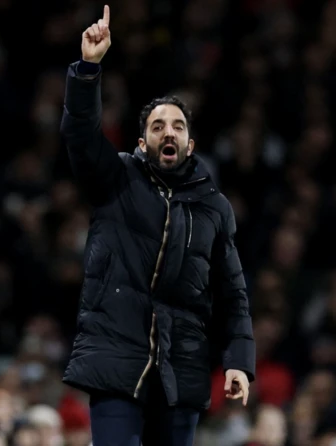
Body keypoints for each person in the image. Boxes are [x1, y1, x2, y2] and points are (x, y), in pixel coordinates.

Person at [60, 5, 256, 446]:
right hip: (116, 361)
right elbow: (80, 135)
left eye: (178, 126)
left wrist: (239, 360)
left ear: (191, 143)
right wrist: (88, 70)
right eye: (158, 125)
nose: (169, 131)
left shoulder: (214, 206)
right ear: (141, 141)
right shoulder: (116, 178)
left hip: (181, 368)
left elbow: (232, 292)